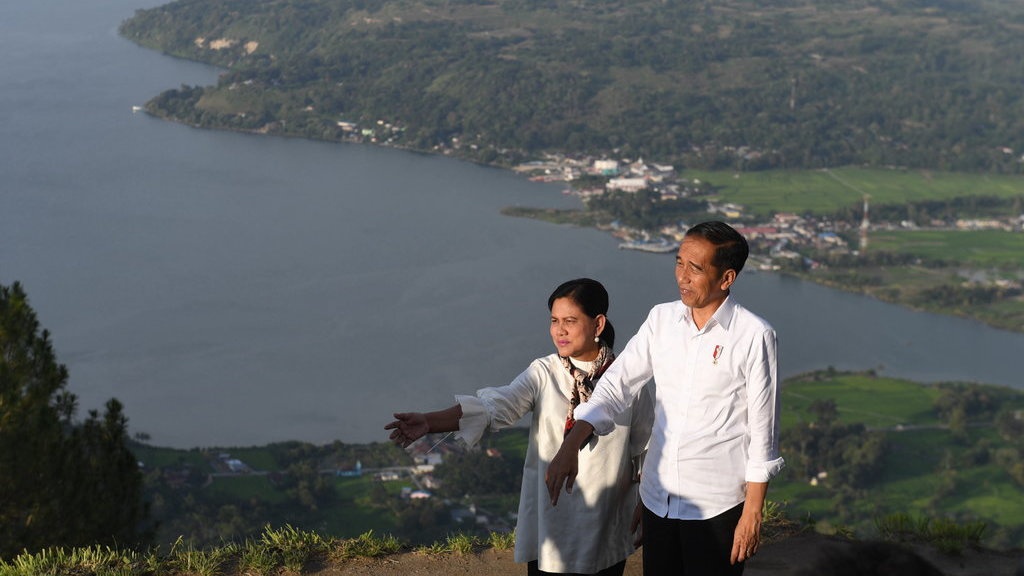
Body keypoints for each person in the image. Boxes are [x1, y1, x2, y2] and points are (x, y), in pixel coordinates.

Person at [545, 221, 785, 575]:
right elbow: (617, 384)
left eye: (696, 268)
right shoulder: (662, 319)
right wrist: (573, 441)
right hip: (659, 499)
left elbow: (763, 430)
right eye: (679, 262)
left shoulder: (754, 335)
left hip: (716, 505)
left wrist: (752, 513)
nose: (682, 277)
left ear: (726, 278)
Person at [386, 278, 652, 576]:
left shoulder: (628, 381)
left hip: (605, 521)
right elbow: (495, 405)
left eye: (570, 321)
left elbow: (646, 448)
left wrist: (647, 502)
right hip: (552, 520)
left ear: (598, 324)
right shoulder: (544, 372)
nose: (559, 330)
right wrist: (430, 421)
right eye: (554, 320)